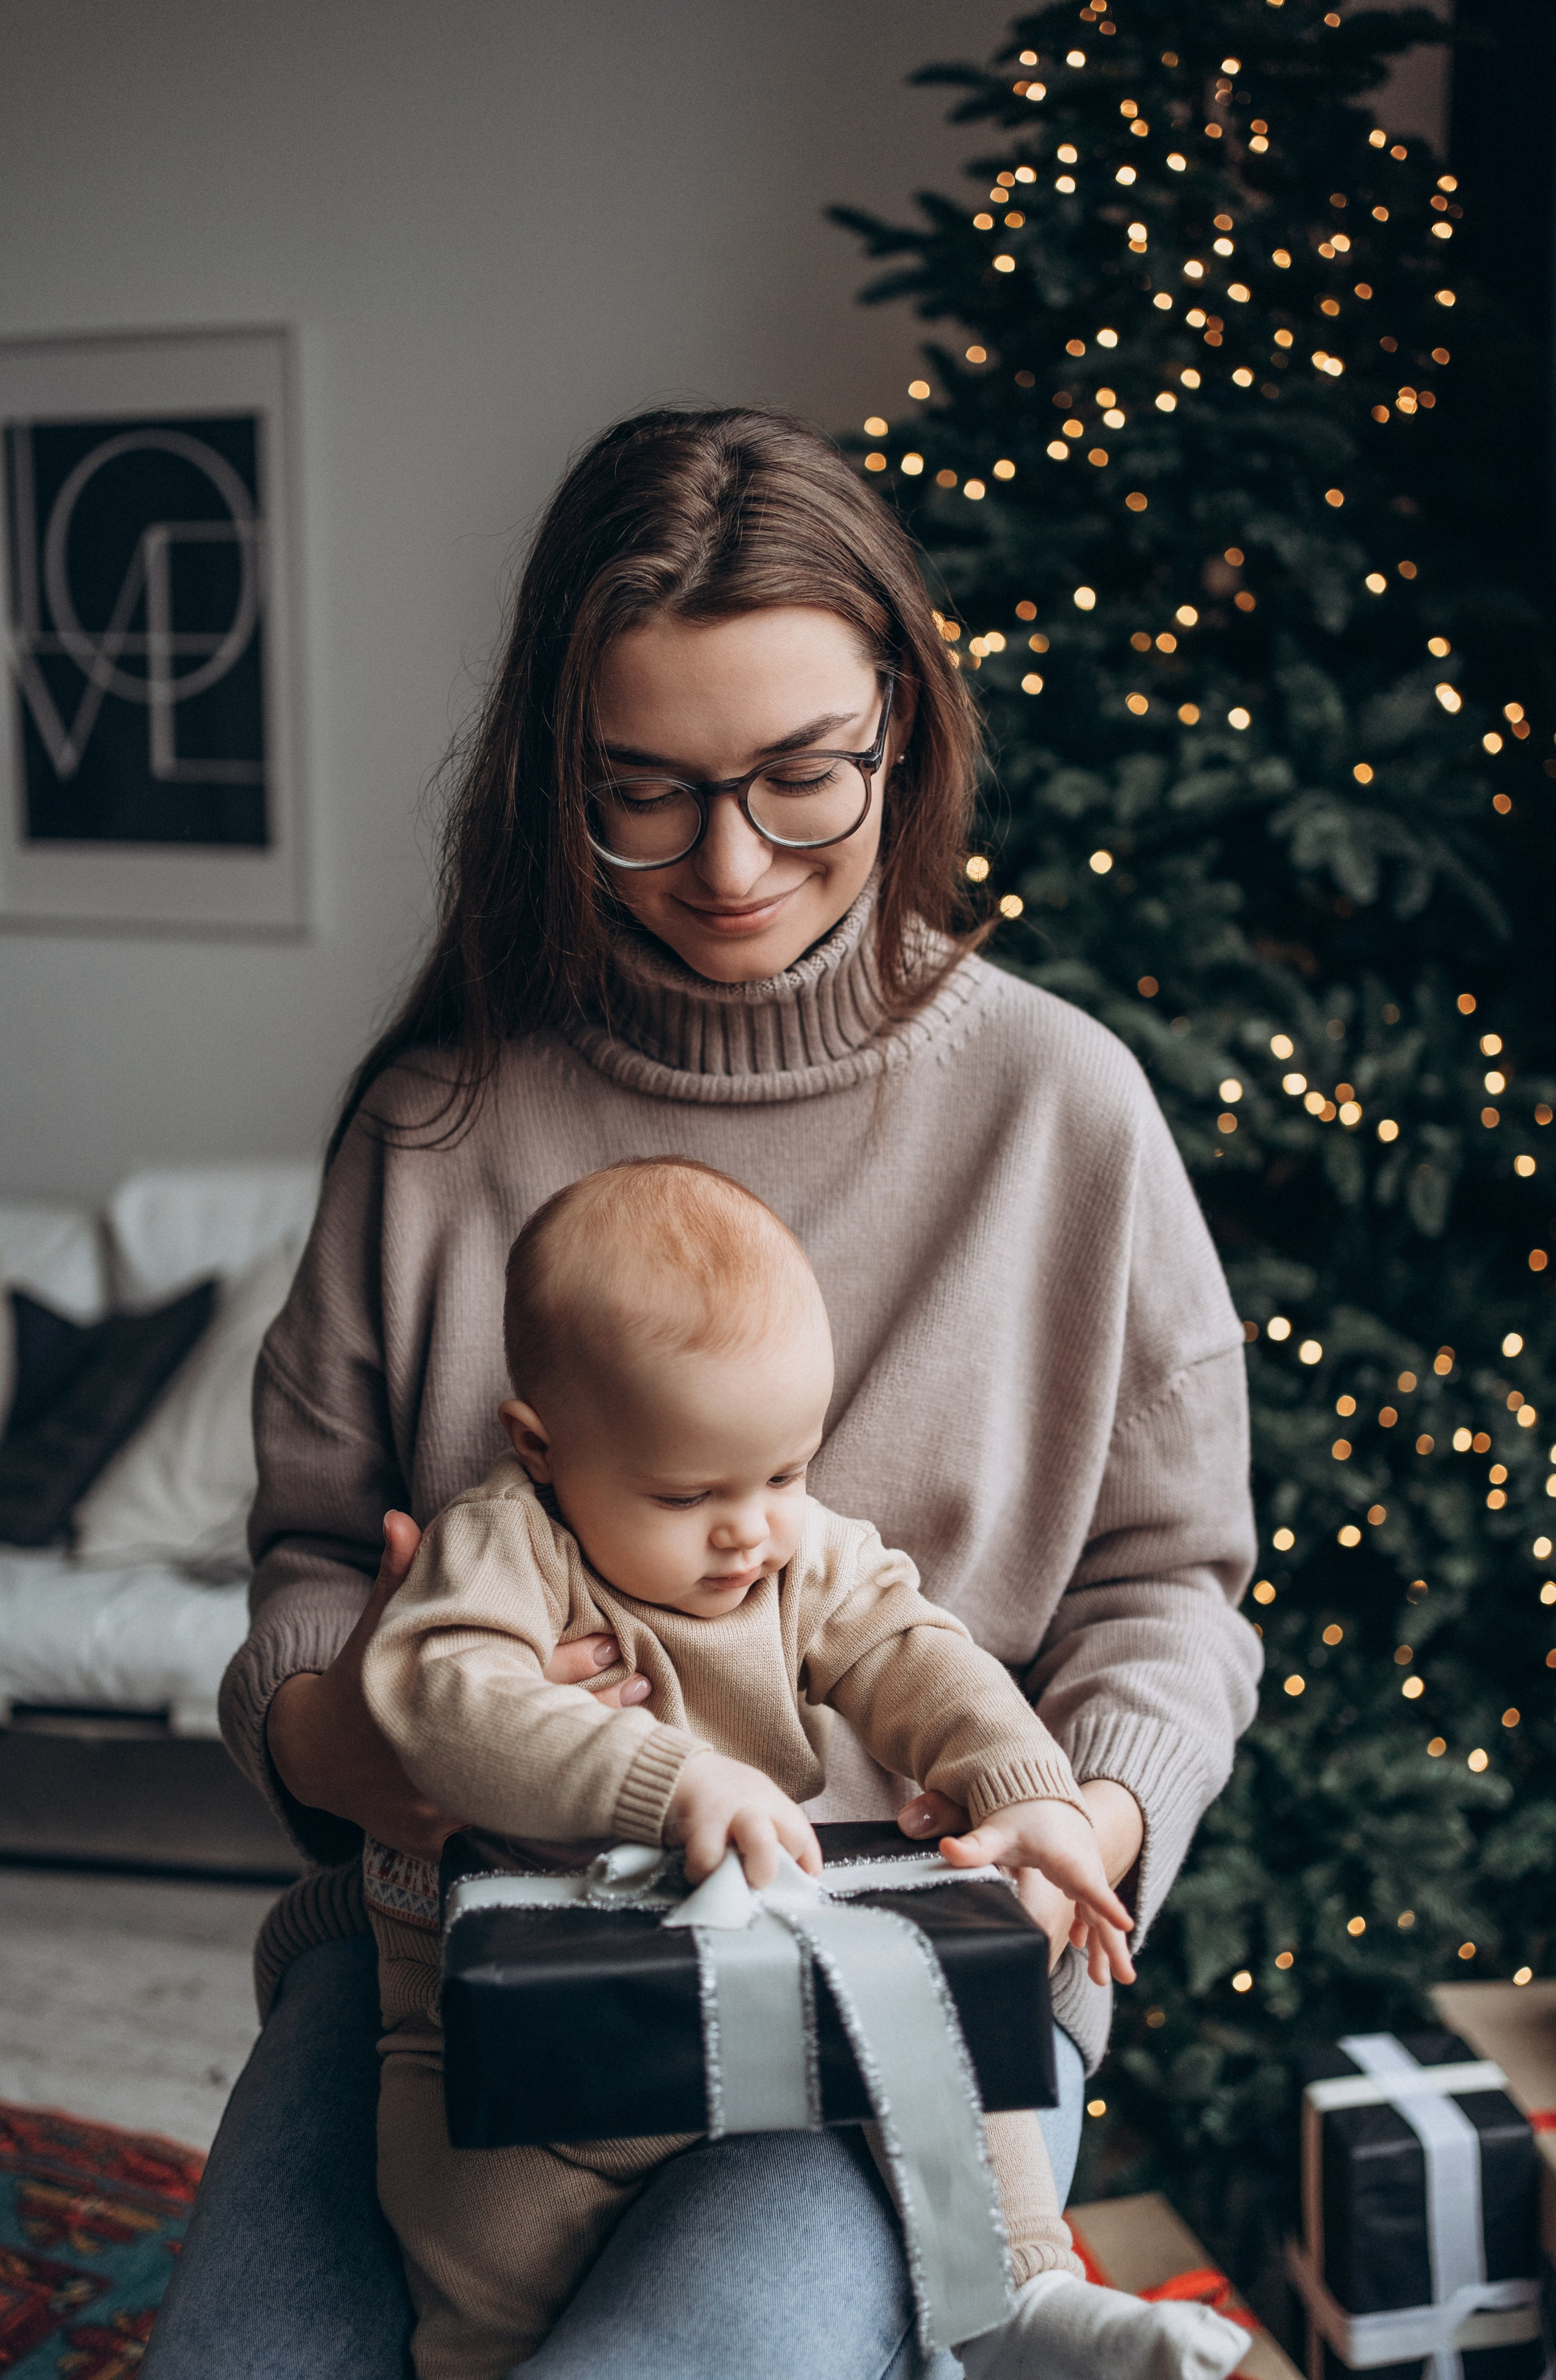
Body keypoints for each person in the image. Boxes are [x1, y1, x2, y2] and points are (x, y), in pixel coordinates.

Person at [144, 407, 1262, 2380]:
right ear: (547, 776)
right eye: (639, 794)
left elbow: (1174, 1590)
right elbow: (312, 1555)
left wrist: (1077, 1806)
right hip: (478, 1954)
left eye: (802, 780)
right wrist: (335, 1738)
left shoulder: (1061, 1110)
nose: (730, 865)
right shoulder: (436, 1124)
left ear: (901, 727)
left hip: (897, 1980)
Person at [363, 1157, 1247, 2380]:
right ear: (542, 1446)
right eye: (687, 1493)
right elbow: (441, 1694)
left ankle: (1019, 2304)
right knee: (477, 2243)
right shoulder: (506, 1544)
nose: (749, 1529)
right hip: (536, 2025)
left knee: (936, 2038)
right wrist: (665, 1779)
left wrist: (1027, 1791)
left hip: (767, 1975)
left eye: (783, 1474)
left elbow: (914, 1654)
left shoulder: (792, 1559)